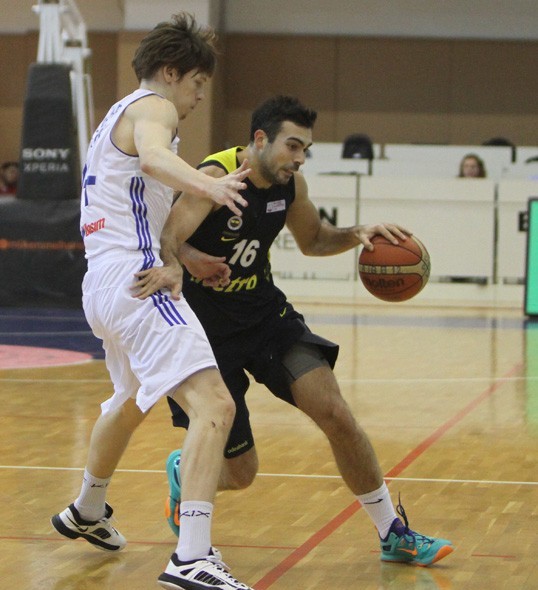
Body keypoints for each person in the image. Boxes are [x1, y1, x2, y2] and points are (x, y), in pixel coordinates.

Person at [134, 95, 454, 567]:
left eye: (305, 149)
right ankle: (187, 472)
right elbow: (165, 237)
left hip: (265, 318)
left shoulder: (290, 186)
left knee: (335, 413)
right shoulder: (216, 176)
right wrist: (192, 258)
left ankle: (393, 532)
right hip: (206, 332)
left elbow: (314, 240)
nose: (300, 158)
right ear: (260, 139)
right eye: (293, 146)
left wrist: (357, 234)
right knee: (241, 473)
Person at [50, 13, 255, 590]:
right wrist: (211, 184)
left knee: (129, 401)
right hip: (133, 283)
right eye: (197, 84)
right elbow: (153, 159)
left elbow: (139, 204)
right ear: (171, 72)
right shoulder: (154, 108)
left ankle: (88, 508)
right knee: (215, 404)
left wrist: (178, 259)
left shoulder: (113, 118)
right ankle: (192, 556)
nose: (197, 97)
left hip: (106, 283)